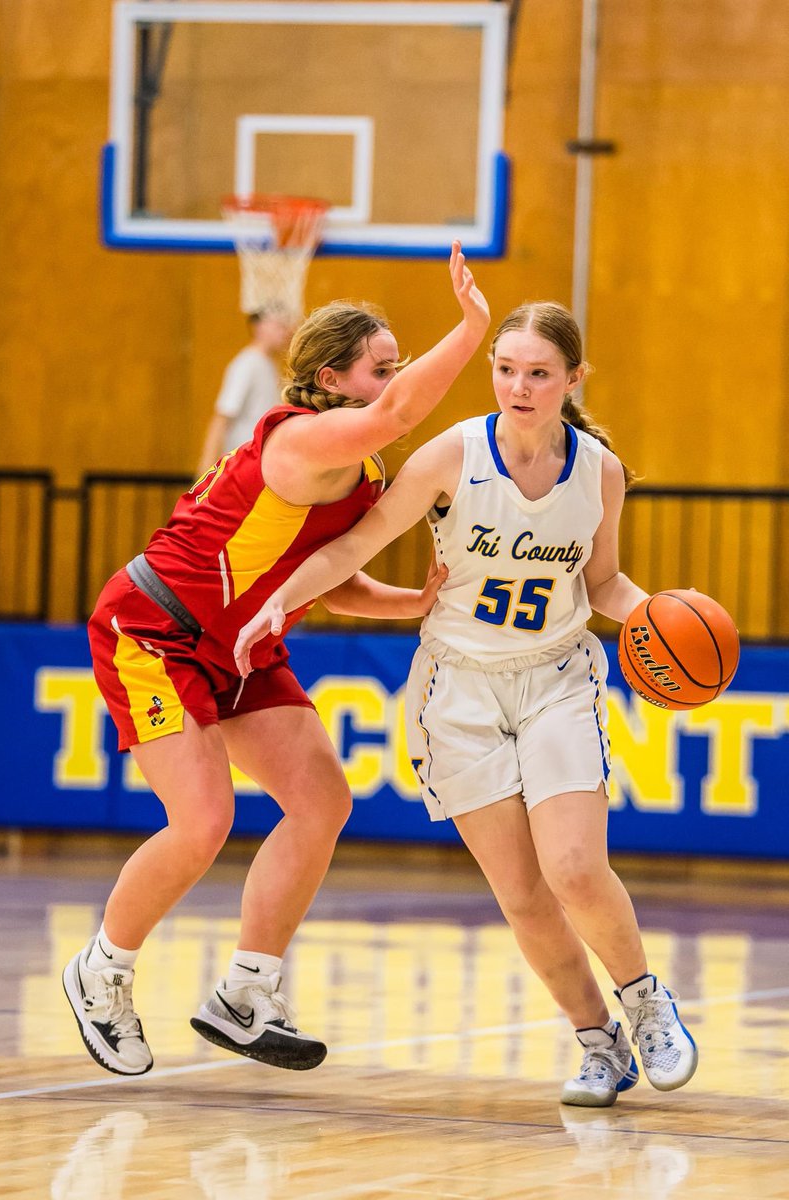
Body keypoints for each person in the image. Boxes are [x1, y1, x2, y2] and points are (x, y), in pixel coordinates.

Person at [234, 301, 699, 1108]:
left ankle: (646, 1001)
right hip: (457, 690)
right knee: (521, 894)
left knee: (575, 870)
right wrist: (282, 598)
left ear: (572, 379)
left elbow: (603, 584)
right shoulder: (454, 456)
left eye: (539, 372)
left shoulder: (599, 471)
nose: (519, 385)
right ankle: (599, 1044)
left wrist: (663, 618)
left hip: (555, 676)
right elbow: (355, 544)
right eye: (506, 368)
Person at [62, 242, 490, 1077]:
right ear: (330, 380)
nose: (392, 381)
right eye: (379, 368)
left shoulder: (353, 467)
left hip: (241, 645)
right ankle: (102, 968)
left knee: (322, 799)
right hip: (155, 627)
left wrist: (411, 602)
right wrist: (472, 326)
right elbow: (401, 413)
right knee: (203, 821)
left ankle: (247, 992)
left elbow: (325, 581)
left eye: (395, 366)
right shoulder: (299, 441)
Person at [196, 310, 294, 476]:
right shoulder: (247, 364)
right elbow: (222, 417)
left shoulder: (269, 365)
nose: (285, 330)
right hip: (242, 466)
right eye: (279, 325)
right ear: (259, 326)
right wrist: (205, 469)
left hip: (260, 465)